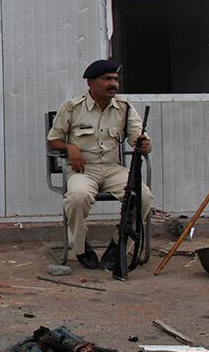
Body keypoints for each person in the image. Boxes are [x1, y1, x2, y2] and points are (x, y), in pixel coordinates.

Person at [47, 60, 153, 271]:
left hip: (113, 169)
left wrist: (144, 145)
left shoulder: (125, 107)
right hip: (83, 170)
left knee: (144, 196)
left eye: (115, 79)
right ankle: (80, 248)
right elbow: (52, 140)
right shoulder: (72, 108)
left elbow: (137, 139)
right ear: (91, 82)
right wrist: (70, 148)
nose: (113, 83)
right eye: (107, 79)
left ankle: (120, 245)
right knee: (77, 197)